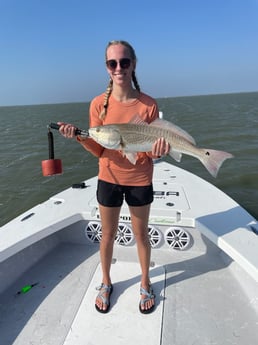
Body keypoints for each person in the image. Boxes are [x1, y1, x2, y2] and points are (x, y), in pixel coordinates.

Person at [58, 40, 170, 314]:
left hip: (140, 179)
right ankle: (106, 282)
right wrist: (79, 138)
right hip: (108, 177)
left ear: (133, 65)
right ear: (107, 68)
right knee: (107, 235)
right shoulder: (98, 104)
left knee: (141, 235)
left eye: (124, 62)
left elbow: (150, 149)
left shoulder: (148, 105)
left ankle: (145, 283)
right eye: (112, 63)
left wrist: (158, 153)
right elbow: (99, 149)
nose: (118, 67)